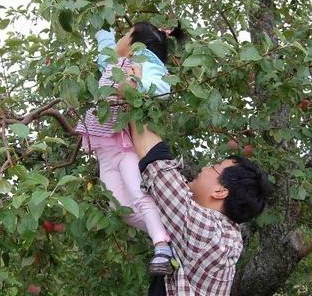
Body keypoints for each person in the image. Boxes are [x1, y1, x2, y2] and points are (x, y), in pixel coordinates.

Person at [75, 22, 185, 276]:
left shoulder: (142, 65)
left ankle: (162, 245)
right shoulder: (114, 65)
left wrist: (136, 86)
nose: (119, 39)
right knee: (120, 207)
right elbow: (105, 48)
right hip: (103, 150)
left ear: (136, 45)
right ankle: (170, 236)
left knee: (138, 194)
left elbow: (161, 88)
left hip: (121, 144)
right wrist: (102, 20)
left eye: (125, 35)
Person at [127, 118, 273, 296]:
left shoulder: (206, 233)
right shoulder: (225, 236)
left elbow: (155, 159)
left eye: (214, 167)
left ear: (220, 191)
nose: (205, 168)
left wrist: (131, 99)